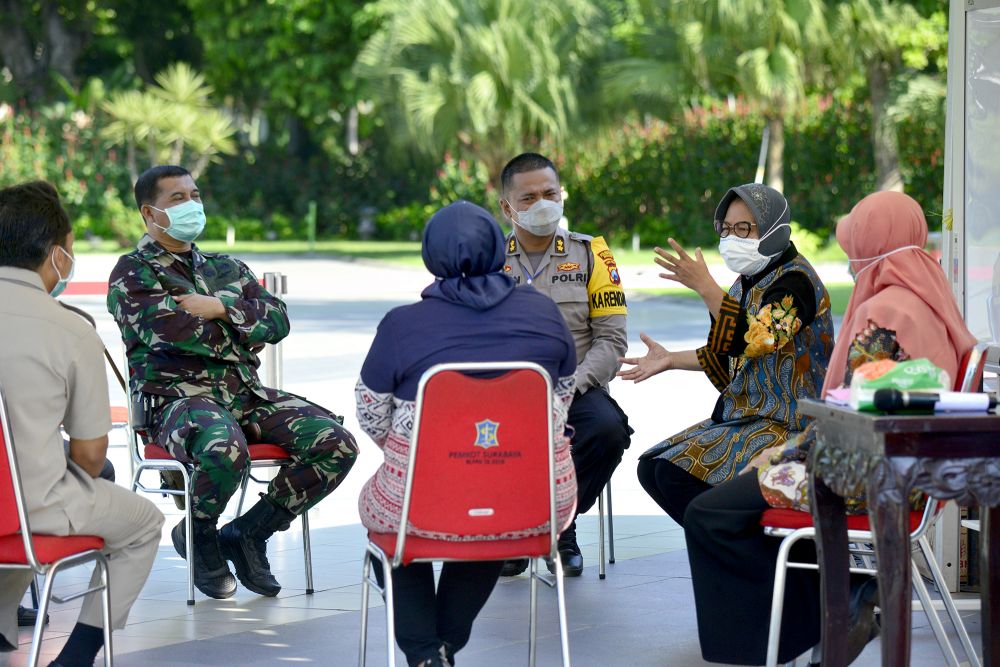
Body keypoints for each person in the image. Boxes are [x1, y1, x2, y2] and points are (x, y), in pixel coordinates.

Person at [681, 190, 978, 665]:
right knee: (725, 500)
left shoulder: (884, 311)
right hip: (916, 479)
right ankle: (841, 599)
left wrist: (785, 454)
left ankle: (796, 626)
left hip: (860, 480)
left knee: (709, 514)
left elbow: (855, 419)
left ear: (872, 242)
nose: (849, 257)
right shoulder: (930, 295)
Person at [107, 165, 358, 600]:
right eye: (178, 199)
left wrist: (219, 308)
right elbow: (174, 332)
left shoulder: (227, 267)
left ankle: (248, 532)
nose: (193, 205)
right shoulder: (133, 272)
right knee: (225, 447)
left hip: (244, 395)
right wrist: (243, 330)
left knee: (337, 443)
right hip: (176, 402)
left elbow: (278, 320)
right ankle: (200, 531)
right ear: (150, 213)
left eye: (195, 194)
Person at [356, 201, 578, 667]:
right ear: (500, 249)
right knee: (493, 512)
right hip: (533, 499)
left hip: (422, 495)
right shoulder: (544, 314)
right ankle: (444, 648)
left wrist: (423, 453)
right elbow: (560, 401)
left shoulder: (402, 325)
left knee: (390, 528)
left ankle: (423, 653)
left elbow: (371, 411)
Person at [0, 181, 164, 666]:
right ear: (55, 254)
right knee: (143, 523)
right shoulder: (69, 329)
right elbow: (90, 458)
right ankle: (76, 657)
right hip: (29, 506)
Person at [619, 183, 834, 525]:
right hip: (751, 417)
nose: (733, 238)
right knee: (654, 469)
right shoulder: (745, 281)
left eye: (744, 228)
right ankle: (730, 549)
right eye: (727, 229)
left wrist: (706, 287)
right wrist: (671, 359)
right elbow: (728, 354)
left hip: (792, 424)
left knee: (678, 478)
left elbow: (759, 339)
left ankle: (743, 554)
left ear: (775, 229)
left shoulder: (796, 281)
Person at [497, 152, 632, 577]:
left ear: (562, 195)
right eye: (529, 196)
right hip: (507, 394)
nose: (542, 203)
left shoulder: (592, 253)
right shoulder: (488, 260)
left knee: (608, 431)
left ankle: (556, 526)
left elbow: (612, 340)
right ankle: (518, 526)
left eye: (550, 193)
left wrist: (572, 385)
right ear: (507, 207)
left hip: (576, 387)